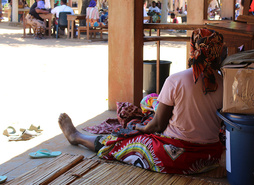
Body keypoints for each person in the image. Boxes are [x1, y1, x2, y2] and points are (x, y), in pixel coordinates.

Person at [59, 28, 225, 174]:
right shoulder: (224, 83)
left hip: (176, 158)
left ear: (193, 48)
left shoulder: (176, 80)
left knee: (121, 140)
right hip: (209, 158)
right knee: (151, 108)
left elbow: (158, 126)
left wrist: (141, 128)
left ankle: (77, 136)